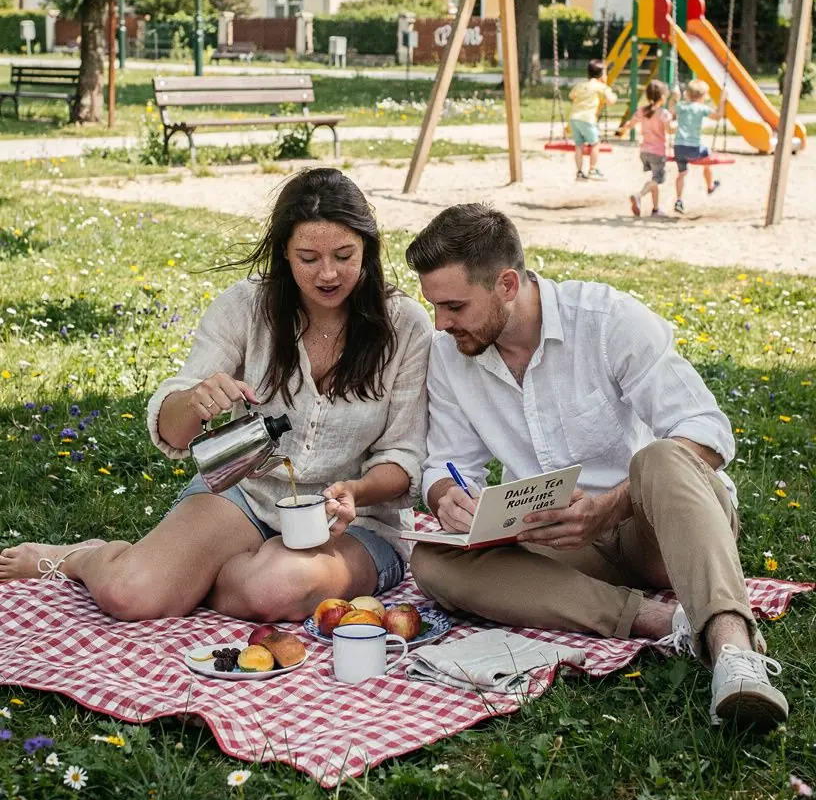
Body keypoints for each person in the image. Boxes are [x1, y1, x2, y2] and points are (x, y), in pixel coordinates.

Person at [404, 203, 788, 730]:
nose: (441, 323)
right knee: (431, 562)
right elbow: (448, 462)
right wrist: (446, 492)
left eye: (453, 306)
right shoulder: (451, 355)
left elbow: (707, 432)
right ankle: (664, 621)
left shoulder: (607, 319)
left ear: (507, 284)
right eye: (435, 307)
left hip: (662, 527)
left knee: (661, 455)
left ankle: (734, 652)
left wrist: (609, 509)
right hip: (563, 542)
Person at [0, 169, 432, 623]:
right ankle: (88, 558)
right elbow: (172, 427)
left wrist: (356, 491)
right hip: (246, 493)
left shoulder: (403, 326)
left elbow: (403, 455)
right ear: (283, 253)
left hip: (356, 522)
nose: (328, 274)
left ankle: (198, 575)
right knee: (132, 595)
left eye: (345, 255)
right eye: (308, 258)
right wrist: (196, 400)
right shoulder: (246, 307)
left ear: (368, 248)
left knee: (272, 591)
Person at [617, 80, 673, 218]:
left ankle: (655, 209)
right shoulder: (663, 113)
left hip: (644, 152)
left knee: (654, 181)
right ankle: (639, 195)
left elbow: (630, 124)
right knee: (657, 180)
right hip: (657, 152)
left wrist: (622, 130)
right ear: (663, 97)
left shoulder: (642, 111)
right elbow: (670, 130)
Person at [672, 79, 725, 213]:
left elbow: (671, 109)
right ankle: (710, 186)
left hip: (678, 148)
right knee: (707, 154)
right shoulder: (702, 108)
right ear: (703, 96)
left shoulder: (681, 106)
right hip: (693, 150)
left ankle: (679, 200)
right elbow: (718, 116)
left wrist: (674, 97)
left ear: (687, 94)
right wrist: (722, 101)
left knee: (682, 174)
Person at [568, 61, 617, 181]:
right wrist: (609, 93)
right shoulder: (601, 87)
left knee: (579, 144)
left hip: (574, 118)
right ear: (601, 76)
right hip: (587, 119)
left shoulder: (580, 85)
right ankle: (593, 169)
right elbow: (611, 101)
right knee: (595, 144)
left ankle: (579, 172)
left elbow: (572, 96)